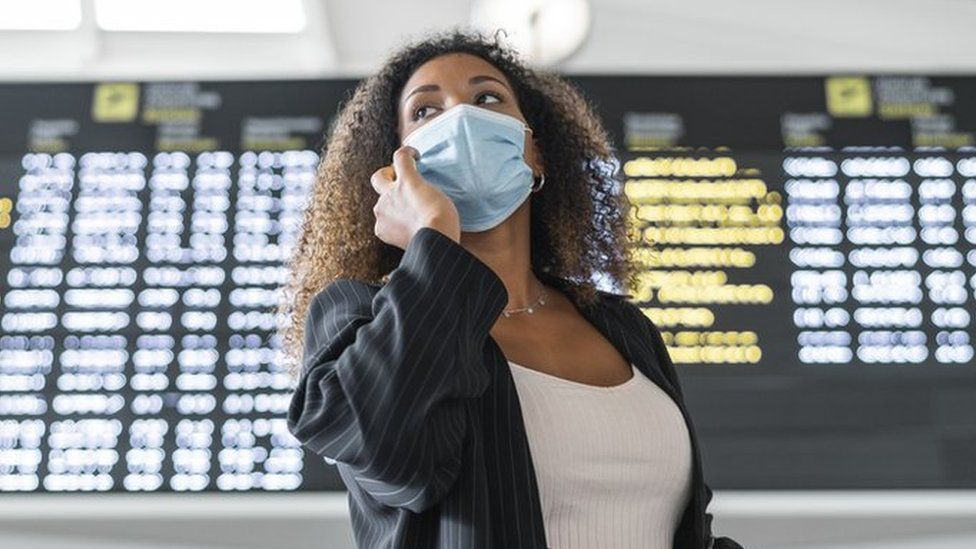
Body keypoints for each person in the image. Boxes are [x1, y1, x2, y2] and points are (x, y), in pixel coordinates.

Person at [279, 27, 744, 549]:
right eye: (426, 112)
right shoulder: (358, 314)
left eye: (487, 98)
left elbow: (690, 528)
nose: (461, 119)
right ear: (393, 172)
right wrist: (433, 238)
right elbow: (394, 460)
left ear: (536, 154)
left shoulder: (622, 327)